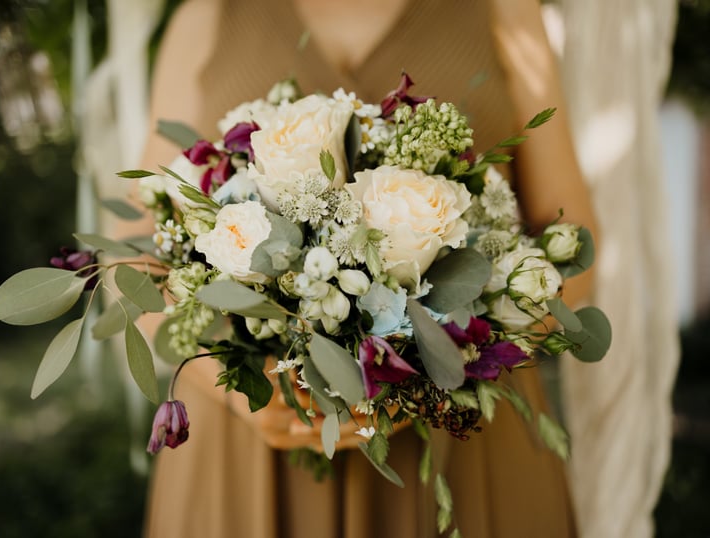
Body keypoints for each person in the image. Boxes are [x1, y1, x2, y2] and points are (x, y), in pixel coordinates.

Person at [132, 0, 598, 536]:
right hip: (245, 444)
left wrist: (442, 365)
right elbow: (134, 243)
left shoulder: (506, 13)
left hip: (458, 444)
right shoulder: (207, 16)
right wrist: (233, 379)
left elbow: (577, 242)